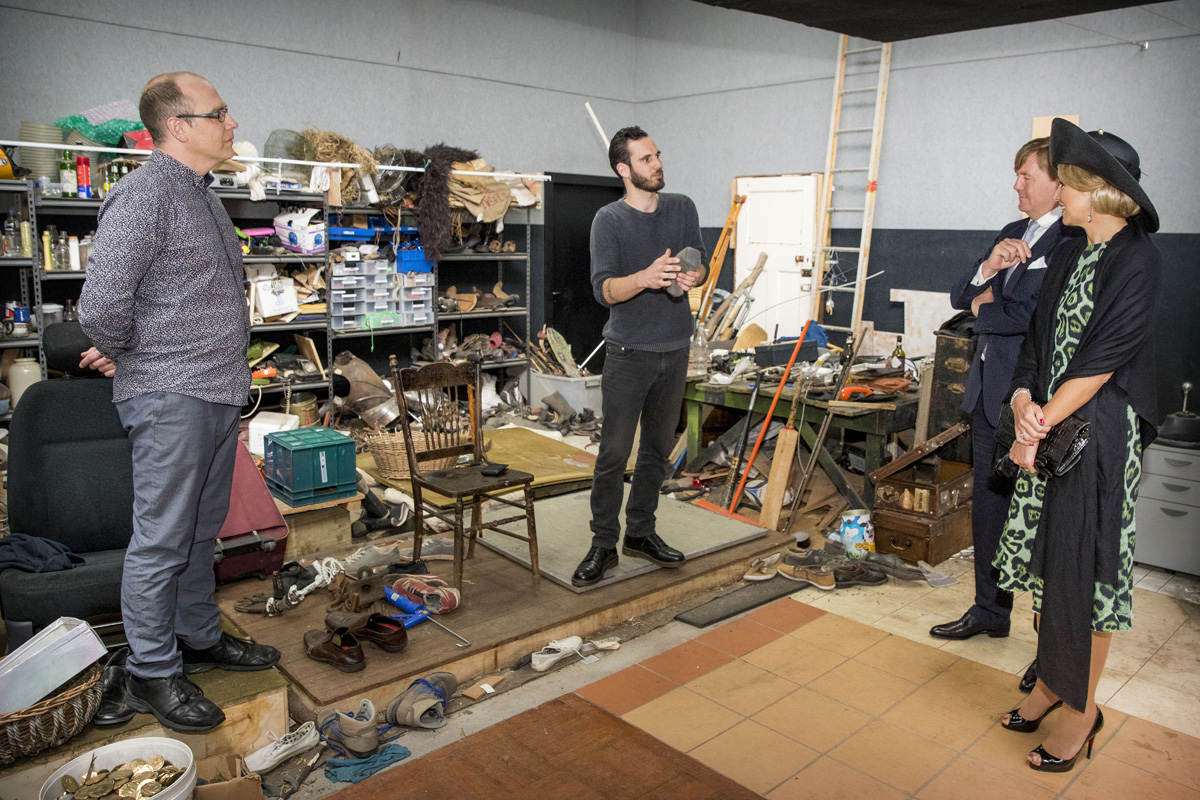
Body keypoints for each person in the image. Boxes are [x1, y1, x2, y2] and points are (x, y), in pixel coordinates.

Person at [79, 71, 279, 733]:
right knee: (161, 542)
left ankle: (198, 637)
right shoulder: (144, 195)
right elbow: (101, 305)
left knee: (198, 534)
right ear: (179, 126)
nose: (232, 122)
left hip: (216, 392)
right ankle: (152, 669)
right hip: (171, 395)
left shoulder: (202, 195)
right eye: (219, 113)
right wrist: (134, 352)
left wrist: (135, 348)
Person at [995, 119, 1161, 773]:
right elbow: (1037, 345)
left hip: (1097, 438)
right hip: (1048, 429)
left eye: (1065, 182)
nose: (1057, 192)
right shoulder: (1069, 252)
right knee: (1046, 568)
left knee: (1086, 578)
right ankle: (1048, 685)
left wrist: (1036, 426)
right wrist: (1021, 399)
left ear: (1096, 191)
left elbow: (1101, 362)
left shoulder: (1137, 258)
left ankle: (1080, 712)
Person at [936, 140, 1076, 674]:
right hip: (987, 393)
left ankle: (1050, 649)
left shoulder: (1073, 239)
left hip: (1034, 400)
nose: (1016, 185)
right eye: (1016, 175)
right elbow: (959, 295)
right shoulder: (1012, 232)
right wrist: (988, 268)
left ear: (1058, 184)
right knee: (990, 508)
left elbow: (1034, 316)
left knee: (1041, 523)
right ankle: (990, 610)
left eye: (1026, 176)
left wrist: (984, 307)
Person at [570, 126, 706, 587]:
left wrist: (693, 277)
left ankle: (641, 532)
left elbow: (701, 262)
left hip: (676, 346)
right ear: (623, 169)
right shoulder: (608, 220)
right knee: (613, 453)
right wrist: (645, 278)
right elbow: (604, 290)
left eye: (657, 155)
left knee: (656, 451)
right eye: (647, 159)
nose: (658, 164)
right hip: (628, 352)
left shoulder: (683, 208)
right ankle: (603, 544)